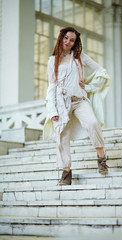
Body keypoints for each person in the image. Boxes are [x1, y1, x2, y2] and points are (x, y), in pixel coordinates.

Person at [43, 27, 111, 186]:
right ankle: (66, 172)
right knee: (62, 137)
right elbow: (51, 86)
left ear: (75, 43)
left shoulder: (79, 57)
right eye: (66, 38)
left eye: (71, 40)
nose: (68, 42)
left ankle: (101, 158)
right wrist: (52, 109)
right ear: (61, 38)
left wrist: (87, 87)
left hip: (79, 101)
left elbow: (101, 71)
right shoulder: (52, 60)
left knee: (92, 123)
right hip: (61, 103)